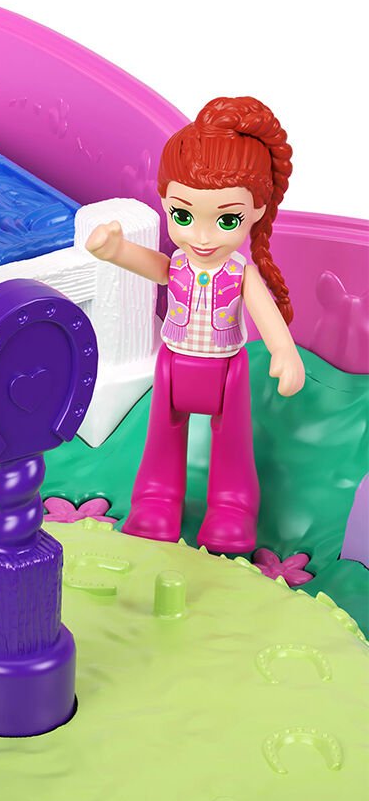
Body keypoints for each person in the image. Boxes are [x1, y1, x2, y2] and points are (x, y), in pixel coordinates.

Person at [85, 96, 304, 554]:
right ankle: (156, 499)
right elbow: (154, 266)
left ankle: (232, 506)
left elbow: (265, 313)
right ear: (166, 202)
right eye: (182, 216)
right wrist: (116, 251)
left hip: (227, 371)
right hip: (174, 364)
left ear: (256, 211)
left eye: (226, 220)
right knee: (161, 438)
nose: (202, 237)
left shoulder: (240, 273)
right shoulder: (179, 264)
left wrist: (284, 351)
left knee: (233, 446)